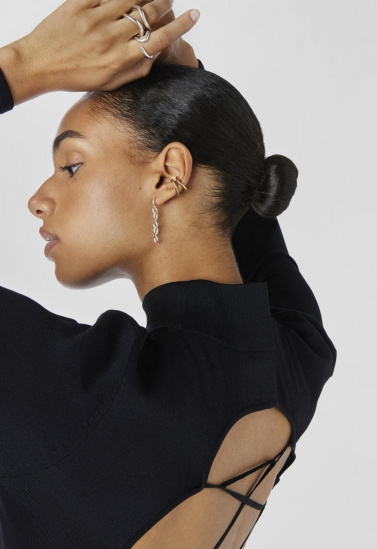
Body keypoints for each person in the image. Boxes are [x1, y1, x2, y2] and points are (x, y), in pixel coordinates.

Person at [0, 1, 338, 548]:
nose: (38, 199)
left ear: (167, 176)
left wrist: (24, 66)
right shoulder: (296, 361)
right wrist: (185, 78)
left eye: (72, 166)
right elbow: (238, 216)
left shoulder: (74, 391)